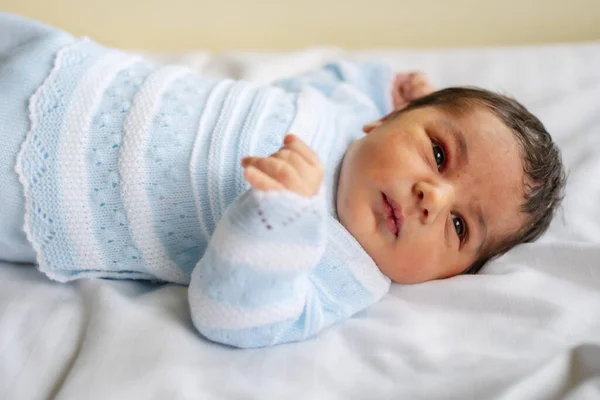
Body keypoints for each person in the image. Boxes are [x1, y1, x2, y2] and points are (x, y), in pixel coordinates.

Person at [0, 13, 565, 348]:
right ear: (383, 121)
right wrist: (386, 85)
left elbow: (236, 318)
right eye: (439, 153)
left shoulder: (344, 269)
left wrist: (277, 222)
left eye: (461, 226)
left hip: (36, 188)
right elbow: (331, 77)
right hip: (72, 69)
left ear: (453, 275)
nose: (432, 199)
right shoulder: (348, 114)